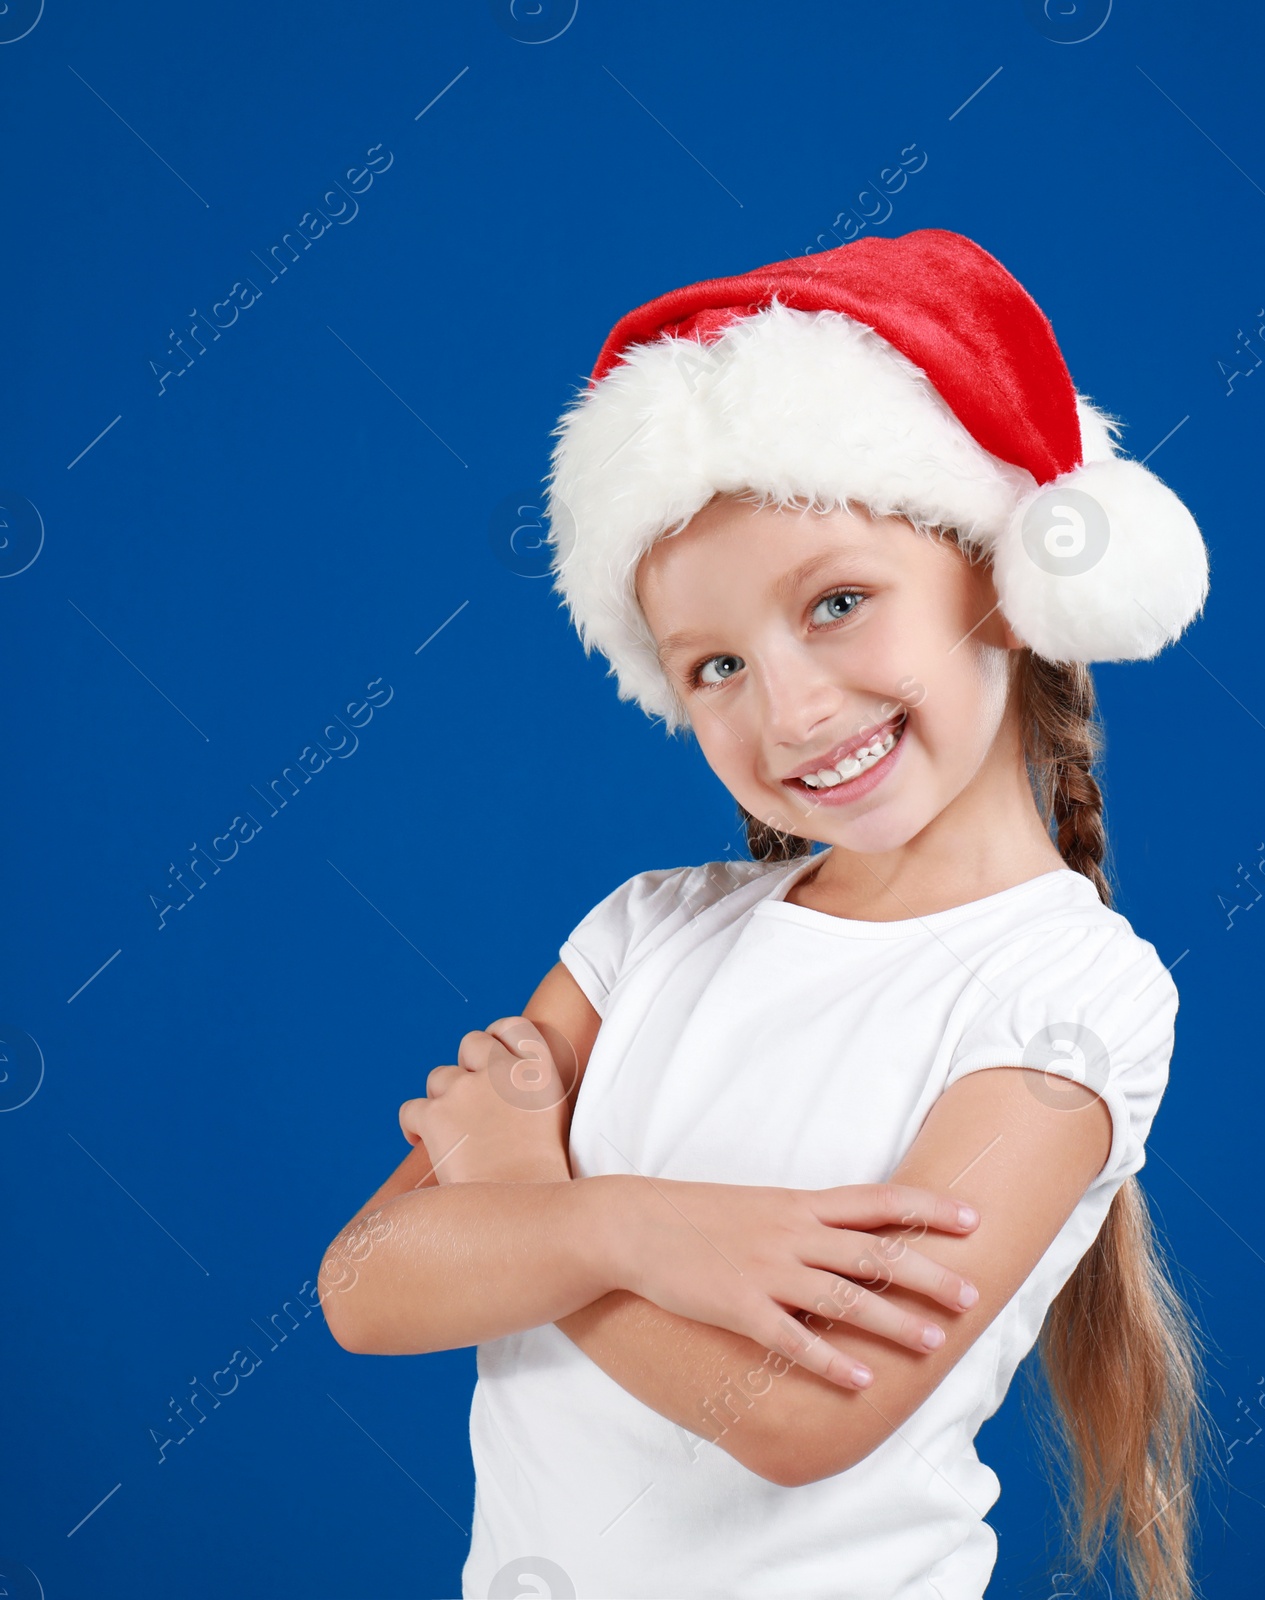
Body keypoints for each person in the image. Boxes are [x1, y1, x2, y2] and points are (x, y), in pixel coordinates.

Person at [320, 228, 1215, 1600]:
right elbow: (368, 1284)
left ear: (1007, 582)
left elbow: (804, 1415)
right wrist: (622, 1230)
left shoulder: (1065, 995)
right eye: (717, 663)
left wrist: (538, 1205)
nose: (789, 708)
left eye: (842, 602)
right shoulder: (646, 936)